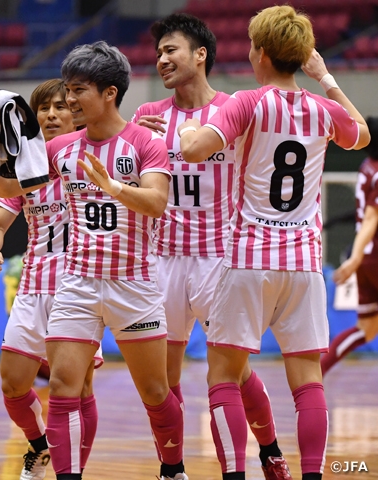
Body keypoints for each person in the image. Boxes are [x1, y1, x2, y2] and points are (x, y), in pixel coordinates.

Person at [176, 6, 369, 480]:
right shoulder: (324, 112)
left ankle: (235, 476)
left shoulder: (248, 102)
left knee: (223, 376)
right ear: (301, 57)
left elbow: (195, 150)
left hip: (247, 258)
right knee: (308, 383)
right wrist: (325, 78)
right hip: (304, 261)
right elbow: (361, 133)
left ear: (259, 53)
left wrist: (185, 132)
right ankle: (313, 476)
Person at [131, 13, 291, 479]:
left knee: (234, 375)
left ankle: (269, 450)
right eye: (158, 52)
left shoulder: (235, 110)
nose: (161, 59)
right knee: (163, 379)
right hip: (162, 262)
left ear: (200, 55)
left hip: (222, 259)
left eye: (171, 50)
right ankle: (172, 467)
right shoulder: (148, 117)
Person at [46, 41, 183, 480]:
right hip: (78, 283)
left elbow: (158, 202)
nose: (69, 99)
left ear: (109, 93)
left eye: (79, 89)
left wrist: (113, 186)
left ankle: (173, 469)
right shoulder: (61, 148)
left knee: (156, 391)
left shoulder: (145, 141)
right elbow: (13, 188)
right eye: (68, 88)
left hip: (133, 284)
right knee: (62, 387)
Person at [0, 79, 102, 480]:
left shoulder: (91, 155)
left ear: (76, 111)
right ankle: (38, 447)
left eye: (59, 107)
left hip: (79, 287)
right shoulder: (26, 168)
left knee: (79, 388)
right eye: (43, 109)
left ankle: (73, 469)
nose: (51, 114)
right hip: (33, 287)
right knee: (13, 384)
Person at [322, 116, 378, 375]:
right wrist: (354, 258)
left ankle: (318, 370)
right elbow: (371, 216)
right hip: (370, 253)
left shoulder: (366, 166)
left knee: (365, 330)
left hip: (366, 257)